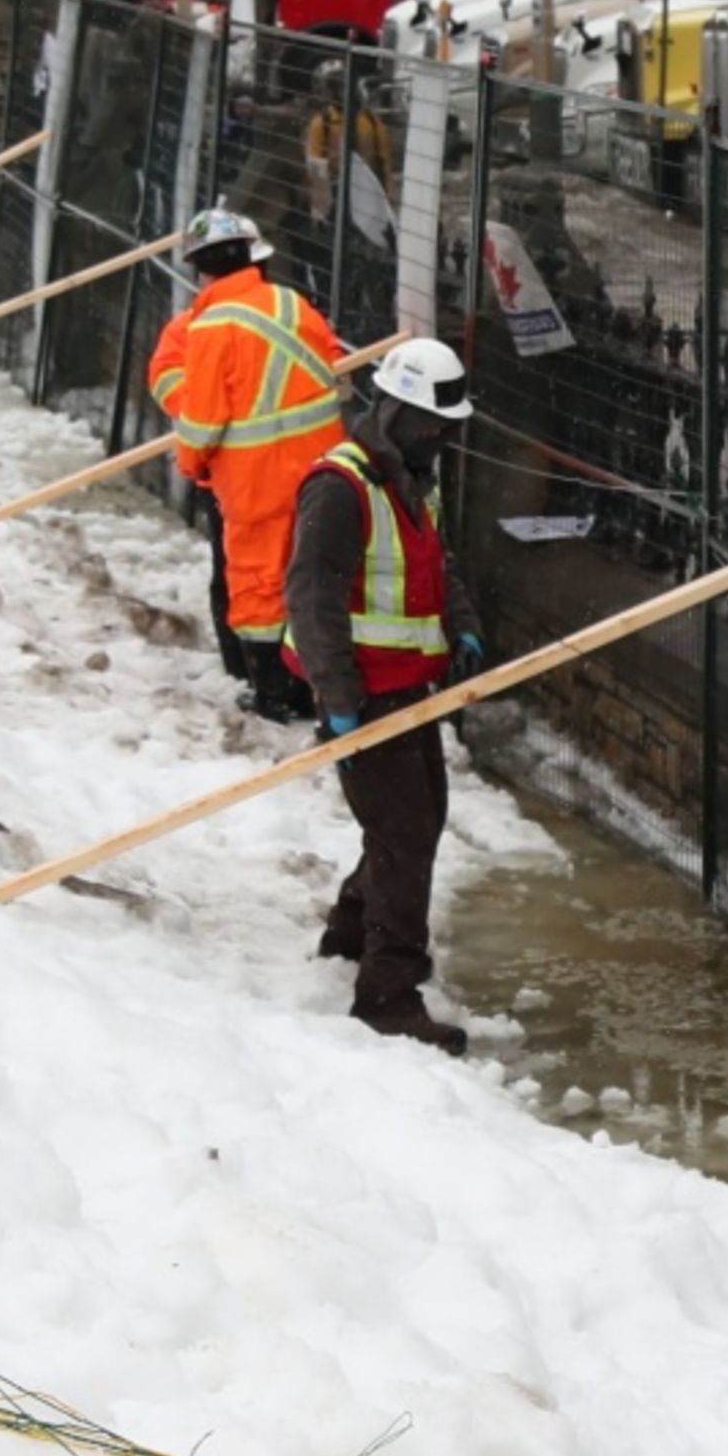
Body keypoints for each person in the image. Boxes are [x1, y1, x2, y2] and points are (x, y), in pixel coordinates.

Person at [277, 338, 475, 1047]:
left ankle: (350, 931)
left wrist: (465, 628)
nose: (438, 440)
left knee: (414, 821)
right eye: (427, 425)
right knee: (404, 834)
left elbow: (437, 564)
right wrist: (338, 700)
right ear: (390, 410)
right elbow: (311, 596)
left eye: (446, 429)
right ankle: (387, 994)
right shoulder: (340, 487)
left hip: (408, 688)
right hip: (362, 691)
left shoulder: (417, 479)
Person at [145, 207, 346, 721]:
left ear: (202, 270)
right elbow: (329, 370)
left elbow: (204, 420)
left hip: (257, 478)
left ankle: (274, 691)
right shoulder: (293, 303)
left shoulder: (211, 326)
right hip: (323, 468)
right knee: (311, 574)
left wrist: (192, 465)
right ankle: (315, 681)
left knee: (257, 583)